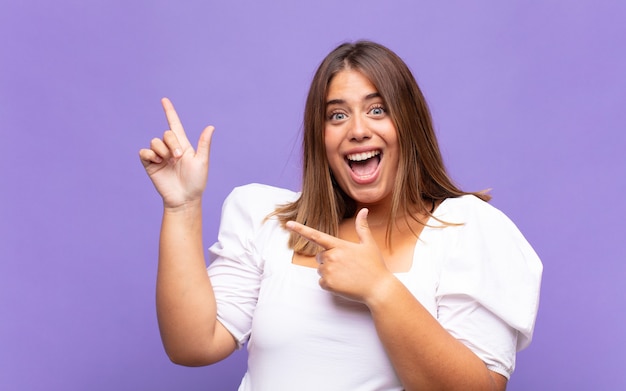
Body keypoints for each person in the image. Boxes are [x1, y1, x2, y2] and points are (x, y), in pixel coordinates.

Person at [139, 41, 542, 391]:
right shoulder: (267, 219)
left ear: (410, 124)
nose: (357, 130)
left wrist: (380, 289)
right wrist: (182, 206)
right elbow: (191, 345)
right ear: (322, 136)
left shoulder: (466, 228)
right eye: (337, 115)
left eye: (378, 110)